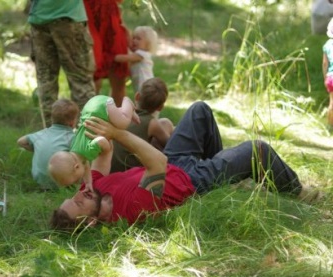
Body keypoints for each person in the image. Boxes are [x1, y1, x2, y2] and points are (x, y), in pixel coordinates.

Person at [50, 101, 319, 231]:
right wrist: (119, 134)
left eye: (71, 197)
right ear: (91, 223)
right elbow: (158, 163)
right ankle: (296, 191)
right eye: (78, 204)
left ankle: (228, 173)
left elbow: (104, 155)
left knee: (199, 110)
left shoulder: (94, 189)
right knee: (257, 150)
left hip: (176, 162)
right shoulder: (129, 211)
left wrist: (101, 138)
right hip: (192, 180)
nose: (79, 194)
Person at [48, 95, 139, 192]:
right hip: (92, 107)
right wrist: (88, 183)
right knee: (119, 118)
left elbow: (100, 141)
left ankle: (127, 102)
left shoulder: (87, 150)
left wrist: (107, 148)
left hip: (101, 108)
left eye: (76, 180)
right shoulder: (77, 153)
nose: (78, 182)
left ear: (76, 167)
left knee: (123, 123)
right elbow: (85, 166)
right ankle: (126, 112)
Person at [28, 0, 95, 127]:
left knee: (46, 82)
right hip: (68, 17)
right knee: (81, 81)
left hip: (40, 18)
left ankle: (51, 139)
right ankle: (87, 139)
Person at [111, 77, 174, 172]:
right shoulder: (152, 124)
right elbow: (170, 144)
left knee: (164, 123)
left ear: (137, 96)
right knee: (166, 124)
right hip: (128, 172)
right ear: (160, 107)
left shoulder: (122, 114)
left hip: (109, 168)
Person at [17, 99, 80, 191]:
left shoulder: (42, 134)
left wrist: (37, 148)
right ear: (72, 122)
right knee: (81, 161)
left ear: (52, 119)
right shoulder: (71, 137)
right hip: (62, 183)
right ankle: (79, 186)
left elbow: (20, 141)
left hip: (39, 180)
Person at [83, 0, 130, 107]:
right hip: (89, 16)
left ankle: (118, 120)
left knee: (119, 75)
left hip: (111, 19)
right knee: (94, 74)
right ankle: (91, 118)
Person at [115, 26, 158, 93]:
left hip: (146, 85)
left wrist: (112, 57)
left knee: (143, 101)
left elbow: (124, 58)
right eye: (133, 38)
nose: (134, 41)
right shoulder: (139, 54)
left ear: (148, 43)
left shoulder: (141, 54)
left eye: (138, 39)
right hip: (142, 85)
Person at [322, 17, 333, 130]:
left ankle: (330, 126)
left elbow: (325, 64)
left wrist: (326, 77)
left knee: (332, 103)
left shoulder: (327, 45)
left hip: (331, 77)